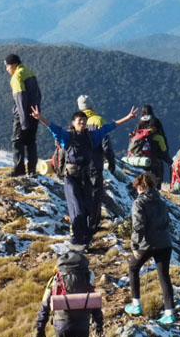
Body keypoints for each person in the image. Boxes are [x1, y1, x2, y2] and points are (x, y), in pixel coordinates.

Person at [32, 104, 138, 249]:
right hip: (71, 178)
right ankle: (76, 240)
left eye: (84, 120)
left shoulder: (92, 136)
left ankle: (85, 241)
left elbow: (109, 127)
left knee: (89, 210)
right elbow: (53, 127)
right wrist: (40, 118)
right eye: (79, 120)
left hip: (86, 178)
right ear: (73, 123)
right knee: (77, 209)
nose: (82, 122)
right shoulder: (67, 137)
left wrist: (127, 118)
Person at [124, 172, 175, 325]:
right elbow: (167, 222)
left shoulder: (139, 203)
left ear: (140, 187)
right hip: (165, 243)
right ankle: (169, 313)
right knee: (164, 276)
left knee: (133, 268)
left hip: (147, 244)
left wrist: (135, 245)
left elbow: (138, 226)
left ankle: (136, 304)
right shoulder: (161, 202)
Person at [77, 95, 116, 234]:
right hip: (94, 164)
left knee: (83, 194)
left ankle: (82, 222)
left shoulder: (77, 121)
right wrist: (111, 161)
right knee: (95, 193)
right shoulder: (98, 120)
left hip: (79, 165)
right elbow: (106, 145)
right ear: (92, 106)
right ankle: (93, 224)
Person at [4, 54, 42, 177]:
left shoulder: (17, 76)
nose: (7, 69)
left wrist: (23, 119)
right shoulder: (29, 72)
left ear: (14, 64)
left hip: (23, 114)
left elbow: (20, 98)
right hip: (35, 113)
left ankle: (19, 169)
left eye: (8, 66)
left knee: (17, 141)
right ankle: (32, 170)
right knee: (31, 141)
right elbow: (38, 94)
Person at [129, 104, 170, 185]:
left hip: (140, 155)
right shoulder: (155, 121)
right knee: (157, 175)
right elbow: (162, 136)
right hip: (154, 156)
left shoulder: (139, 123)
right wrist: (166, 156)